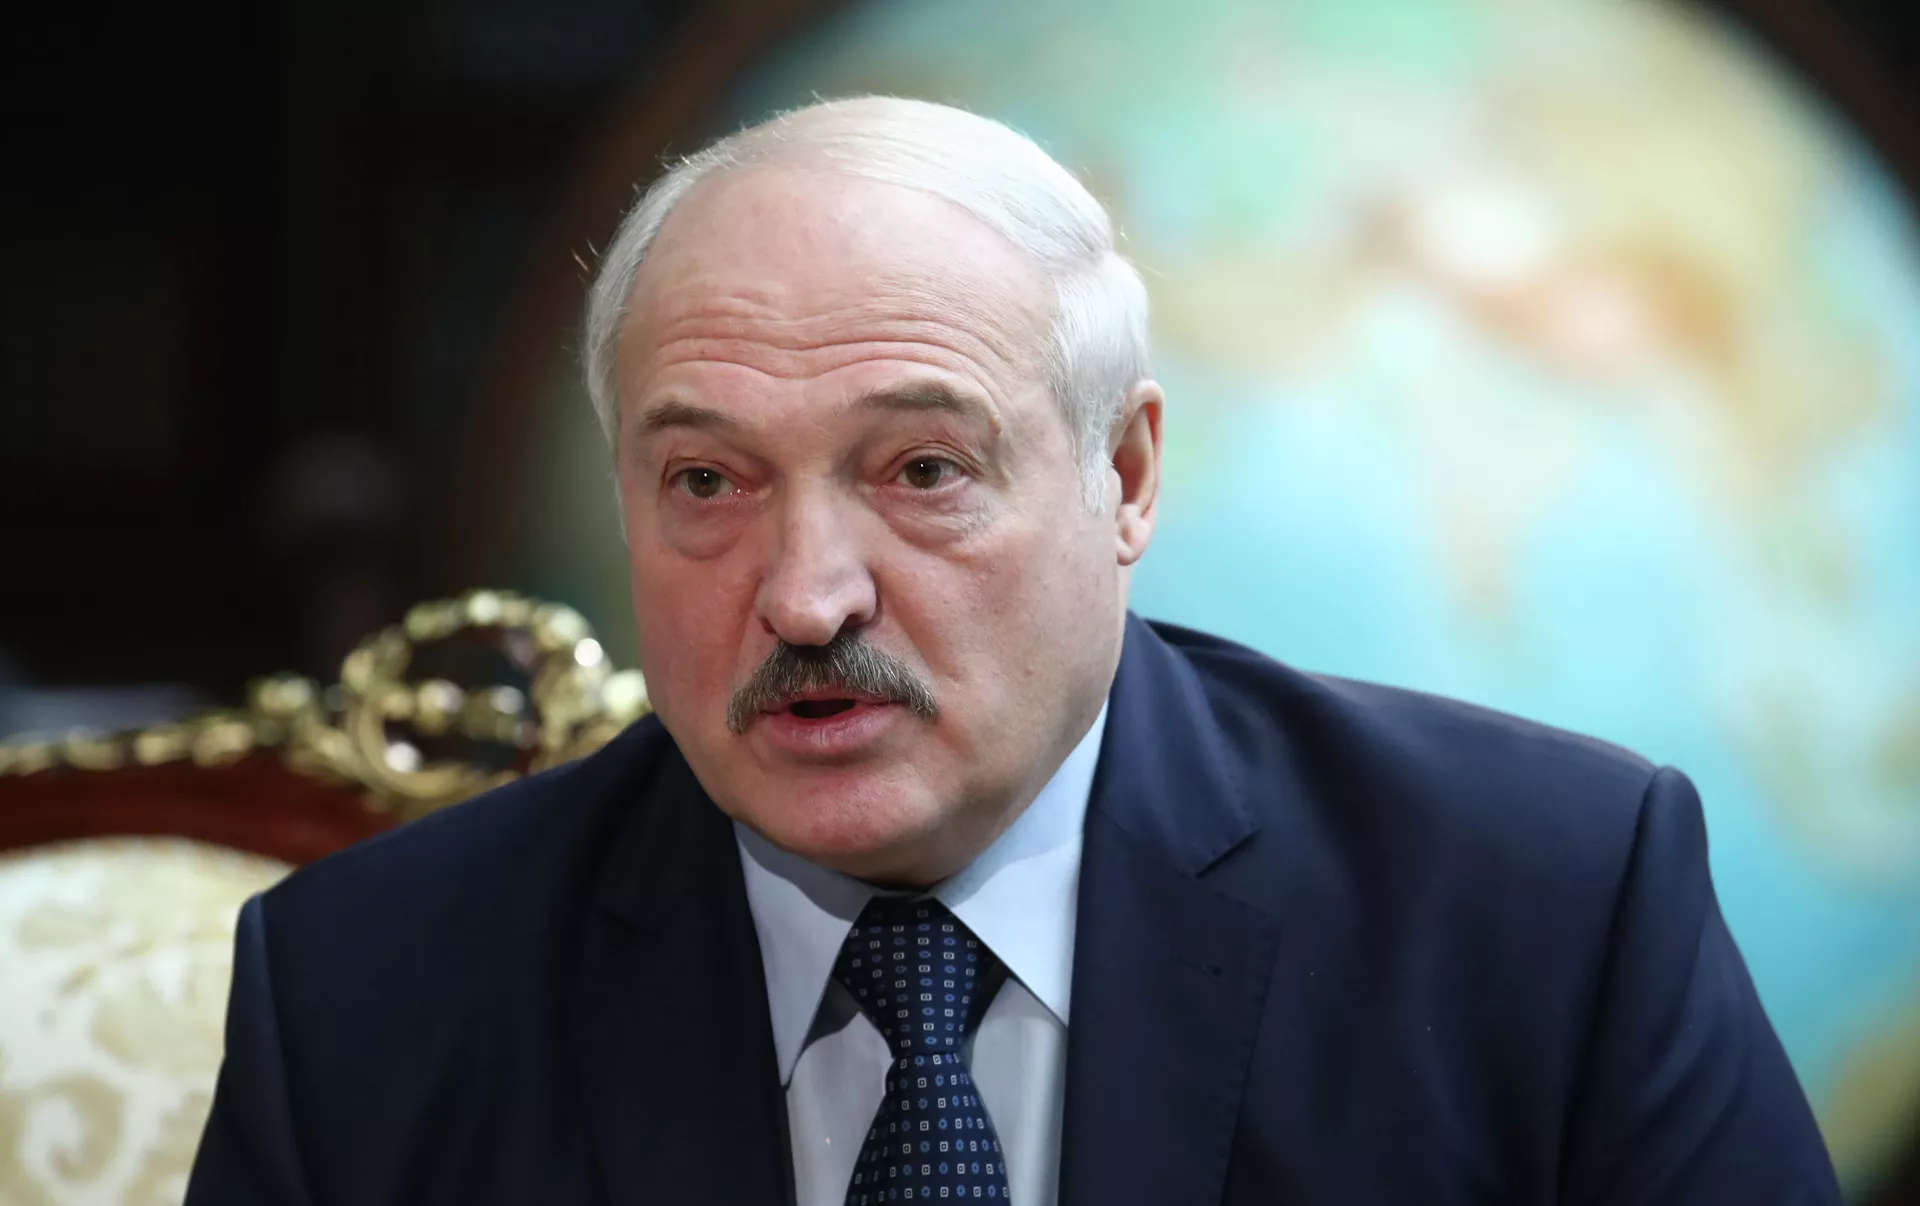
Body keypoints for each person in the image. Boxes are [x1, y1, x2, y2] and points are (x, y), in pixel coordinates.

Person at [186, 96, 1841, 1206]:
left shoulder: (1544, 910)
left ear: (1124, 475)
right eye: (707, 482)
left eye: (922, 469)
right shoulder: (370, 998)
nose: (807, 598)